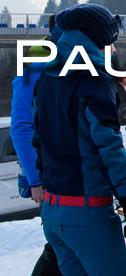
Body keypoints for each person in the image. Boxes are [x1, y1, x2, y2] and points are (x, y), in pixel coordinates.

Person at [32, 4, 126, 276]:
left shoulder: (46, 76)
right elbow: (109, 147)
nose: (114, 50)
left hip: (53, 211)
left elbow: (38, 140)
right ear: (94, 40)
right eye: (110, 42)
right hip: (88, 213)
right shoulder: (94, 81)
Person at [10, 16, 62, 276]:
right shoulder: (38, 64)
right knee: (58, 249)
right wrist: (35, 181)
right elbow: (20, 128)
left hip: (59, 175)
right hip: (48, 178)